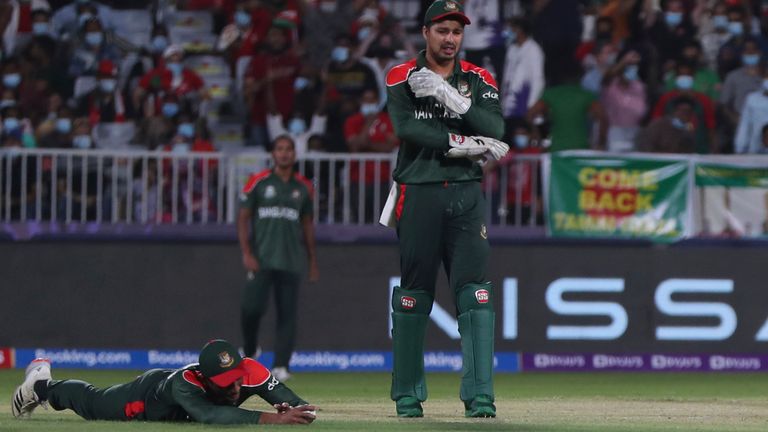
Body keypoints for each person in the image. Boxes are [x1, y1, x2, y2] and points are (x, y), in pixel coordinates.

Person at [382, 0, 508, 419]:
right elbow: (407, 129)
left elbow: (495, 129)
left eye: (456, 31)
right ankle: (407, 395)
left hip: (467, 195)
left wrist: (452, 100)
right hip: (419, 190)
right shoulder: (401, 75)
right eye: (442, 30)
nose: (450, 39)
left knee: (477, 293)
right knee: (414, 293)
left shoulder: (478, 77)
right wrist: (462, 143)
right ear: (425, 33)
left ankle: (480, 397)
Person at [11, 339, 317, 425]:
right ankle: (41, 385)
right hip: (145, 398)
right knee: (92, 405)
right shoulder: (185, 382)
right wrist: (272, 420)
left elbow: (289, 399)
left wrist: (295, 408)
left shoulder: (249, 370)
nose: (236, 388)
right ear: (205, 377)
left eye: (237, 379)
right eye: (225, 383)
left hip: (169, 404)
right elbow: (209, 415)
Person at [238, 135, 320, 383]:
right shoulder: (258, 183)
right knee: (250, 309)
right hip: (261, 258)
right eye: (279, 149)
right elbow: (243, 219)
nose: (284, 154)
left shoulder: (304, 187)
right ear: (273, 154)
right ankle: (251, 349)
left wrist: (312, 260)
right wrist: (247, 253)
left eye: (288, 149)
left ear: (295, 155)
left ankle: (281, 365)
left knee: (287, 314)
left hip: (291, 259)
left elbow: (307, 226)